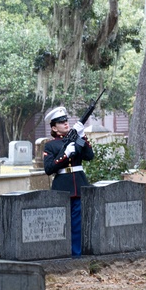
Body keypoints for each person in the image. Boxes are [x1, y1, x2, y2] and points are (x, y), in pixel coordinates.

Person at [43, 105, 94, 257]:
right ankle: (61, 253)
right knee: (61, 223)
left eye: (66, 121)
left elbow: (89, 156)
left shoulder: (76, 139)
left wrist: (82, 135)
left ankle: (76, 254)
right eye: (61, 122)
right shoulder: (51, 145)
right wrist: (65, 155)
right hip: (63, 186)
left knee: (78, 224)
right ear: (54, 128)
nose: (66, 123)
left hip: (79, 185)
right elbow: (49, 169)